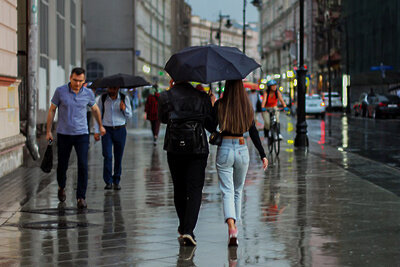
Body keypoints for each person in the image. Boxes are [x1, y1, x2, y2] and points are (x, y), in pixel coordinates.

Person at [211, 79, 268, 246]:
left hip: (225, 149)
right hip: (242, 149)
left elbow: (210, 125)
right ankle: (236, 228)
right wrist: (263, 154)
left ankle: (231, 226)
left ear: (227, 88)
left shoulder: (220, 104)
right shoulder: (246, 106)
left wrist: (212, 105)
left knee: (227, 190)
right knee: (238, 190)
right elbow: (253, 131)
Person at [158, 80, 214, 246]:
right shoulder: (202, 97)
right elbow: (211, 125)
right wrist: (210, 103)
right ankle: (188, 230)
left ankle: (183, 227)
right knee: (195, 189)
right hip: (197, 148)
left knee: (179, 187)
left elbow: (162, 119)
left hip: (174, 147)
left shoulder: (165, 96)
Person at [46, 68, 106, 209]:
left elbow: (95, 109)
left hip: (81, 134)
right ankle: (61, 187)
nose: (78, 84)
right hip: (64, 134)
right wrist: (48, 131)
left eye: (80, 81)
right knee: (62, 165)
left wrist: (100, 126)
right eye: (75, 80)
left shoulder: (88, 94)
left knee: (83, 165)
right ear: (70, 78)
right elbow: (52, 110)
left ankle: (81, 197)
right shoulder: (60, 91)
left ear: (84, 81)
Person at [94, 86, 132, 190]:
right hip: (107, 130)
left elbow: (129, 116)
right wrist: (97, 131)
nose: (112, 91)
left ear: (118, 88)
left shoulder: (125, 98)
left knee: (118, 156)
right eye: (110, 89)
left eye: (114, 89)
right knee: (107, 155)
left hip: (120, 130)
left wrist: (124, 109)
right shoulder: (102, 98)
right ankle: (108, 181)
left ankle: (116, 180)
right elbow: (98, 114)